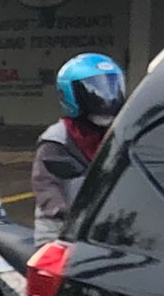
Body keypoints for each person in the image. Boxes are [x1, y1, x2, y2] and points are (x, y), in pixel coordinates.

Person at [34, 54, 126, 245]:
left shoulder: (119, 134)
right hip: (59, 230)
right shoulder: (56, 139)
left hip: (103, 226)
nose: (106, 97)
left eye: (110, 87)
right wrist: (63, 211)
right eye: (94, 90)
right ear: (70, 94)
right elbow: (45, 184)